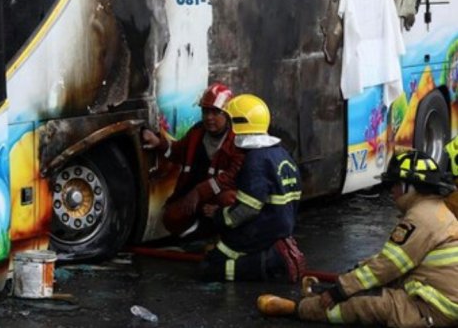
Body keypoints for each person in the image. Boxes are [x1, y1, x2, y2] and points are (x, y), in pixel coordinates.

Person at [258, 150, 458, 327]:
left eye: (394, 184)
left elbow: (387, 266)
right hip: (443, 299)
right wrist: (358, 271)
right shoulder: (437, 211)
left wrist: (340, 290)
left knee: (365, 305)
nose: (391, 191)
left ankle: (297, 309)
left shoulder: (420, 218)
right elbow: (394, 260)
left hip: (434, 308)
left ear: (409, 186)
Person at [198, 93, 306, 282]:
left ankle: (275, 264)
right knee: (221, 251)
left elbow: (248, 208)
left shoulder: (255, 160)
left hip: (263, 230)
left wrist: (219, 216)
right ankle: (275, 255)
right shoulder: (280, 153)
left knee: (209, 268)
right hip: (281, 227)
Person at [142, 82, 244, 238]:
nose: (209, 117)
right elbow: (177, 152)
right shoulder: (197, 132)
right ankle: (199, 232)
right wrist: (159, 143)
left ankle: (222, 234)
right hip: (197, 197)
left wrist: (201, 192)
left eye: (215, 112)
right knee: (171, 217)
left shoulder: (236, 139)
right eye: (205, 111)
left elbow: (232, 176)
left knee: (229, 199)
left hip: (219, 197)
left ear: (227, 114)